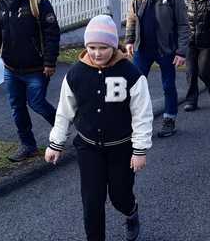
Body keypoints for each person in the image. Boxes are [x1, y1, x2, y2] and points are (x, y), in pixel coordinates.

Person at [45, 15, 153, 241]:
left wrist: (140, 150)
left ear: (113, 46)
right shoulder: (76, 73)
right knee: (92, 201)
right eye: (92, 47)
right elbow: (64, 111)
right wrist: (56, 143)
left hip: (121, 148)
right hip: (89, 148)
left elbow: (142, 114)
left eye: (103, 48)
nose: (96, 53)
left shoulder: (131, 74)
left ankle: (131, 211)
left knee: (120, 196)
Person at [0, 0, 61, 162]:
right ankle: (28, 146)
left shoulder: (37, 2)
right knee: (17, 108)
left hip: (36, 69)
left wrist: (50, 62)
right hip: (10, 69)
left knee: (37, 103)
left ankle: (62, 129)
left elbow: (52, 33)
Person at [124, 0, 188, 138]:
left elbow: (183, 24)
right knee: (135, 86)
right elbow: (132, 17)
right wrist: (129, 40)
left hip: (166, 49)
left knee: (168, 85)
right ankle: (135, 122)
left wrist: (181, 52)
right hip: (142, 48)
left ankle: (169, 119)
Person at [184, 0, 210, 112]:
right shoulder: (186, 3)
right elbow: (182, 23)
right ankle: (191, 101)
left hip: (206, 43)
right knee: (191, 73)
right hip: (190, 42)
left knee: (203, 71)